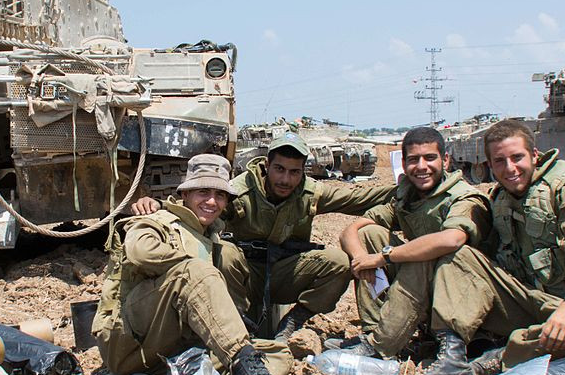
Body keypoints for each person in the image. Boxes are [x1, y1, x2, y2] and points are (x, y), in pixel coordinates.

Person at [413, 119, 565, 375]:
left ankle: (493, 362)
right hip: (530, 299)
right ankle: (451, 359)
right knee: (460, 257)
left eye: (517, 157)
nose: (510, 169)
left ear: (534, 155)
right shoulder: (500, 197)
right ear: (489, 165)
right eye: (499, 161)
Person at [93, 153, 311, 375]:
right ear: (185, 194)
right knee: (196, 272)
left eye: (220, 195)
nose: (211, 201)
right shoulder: (158, 220)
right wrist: (196, 269)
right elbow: (139, 251)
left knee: (277, 354)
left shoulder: (214, 240)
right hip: (131, 344)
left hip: (178, 349)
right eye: (203, 192)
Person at [135, 134, 393, 340]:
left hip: (285, 272)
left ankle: (292, 324)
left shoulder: (309, 193)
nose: (286, 179)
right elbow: (200, 207)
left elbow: (358, 199)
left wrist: (406, 189)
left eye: (294, 172)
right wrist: (157, 205)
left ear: (303, 171)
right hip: (242, 276)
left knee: (337, 261)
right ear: (267, 165)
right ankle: (235, 328)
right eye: (279, 169)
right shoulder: (238, 190)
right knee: (224, 252)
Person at [337, 127, 490, 367]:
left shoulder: (463, 197)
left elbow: (451, 240)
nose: (421, 167)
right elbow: (351, 230)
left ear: (446, 160)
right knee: (369, 234)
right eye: (413, 160)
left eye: (430, 158)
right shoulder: (408, 196)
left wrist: (383, 258)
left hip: (463, 296)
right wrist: (361, 258)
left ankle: (381, 346)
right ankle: (374, 331)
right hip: (428, 291)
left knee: (422, 256)